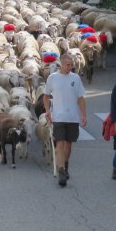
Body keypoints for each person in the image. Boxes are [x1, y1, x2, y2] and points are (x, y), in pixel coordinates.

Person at [43, 54, 87, 187]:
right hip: (58, 117)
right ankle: (61, 170)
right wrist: (47, 111)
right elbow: (46, 96)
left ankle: (65, 165)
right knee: (60, 143)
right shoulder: (53, 78)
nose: (71, 67)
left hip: (73, 117)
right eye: (68, 64)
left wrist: (83, 115)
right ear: (61, 65)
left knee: (69, 145)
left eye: (71, 64)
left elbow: (80, 98)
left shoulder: (76, 78)